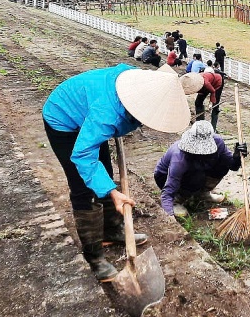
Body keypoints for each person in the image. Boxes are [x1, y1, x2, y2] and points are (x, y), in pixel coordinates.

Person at [42, 64, 191, 282]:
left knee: (105, 171)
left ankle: (111, 230)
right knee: (84, 187)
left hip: (89, 112)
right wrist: (113, 192)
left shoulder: (138, 82)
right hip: (63, 120)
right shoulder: (105, 114)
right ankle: (94, 257)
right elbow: (83, 155)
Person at [154, 121, 247, 217]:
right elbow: (168, 192)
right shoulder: (180, 158)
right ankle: (177, 199)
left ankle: (202, 193)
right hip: (164, 177)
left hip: (196, 170)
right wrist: (169, 217)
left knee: (222, 165)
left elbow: (233, 166)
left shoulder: (218, 142)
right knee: (197, 176)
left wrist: (237, 158)